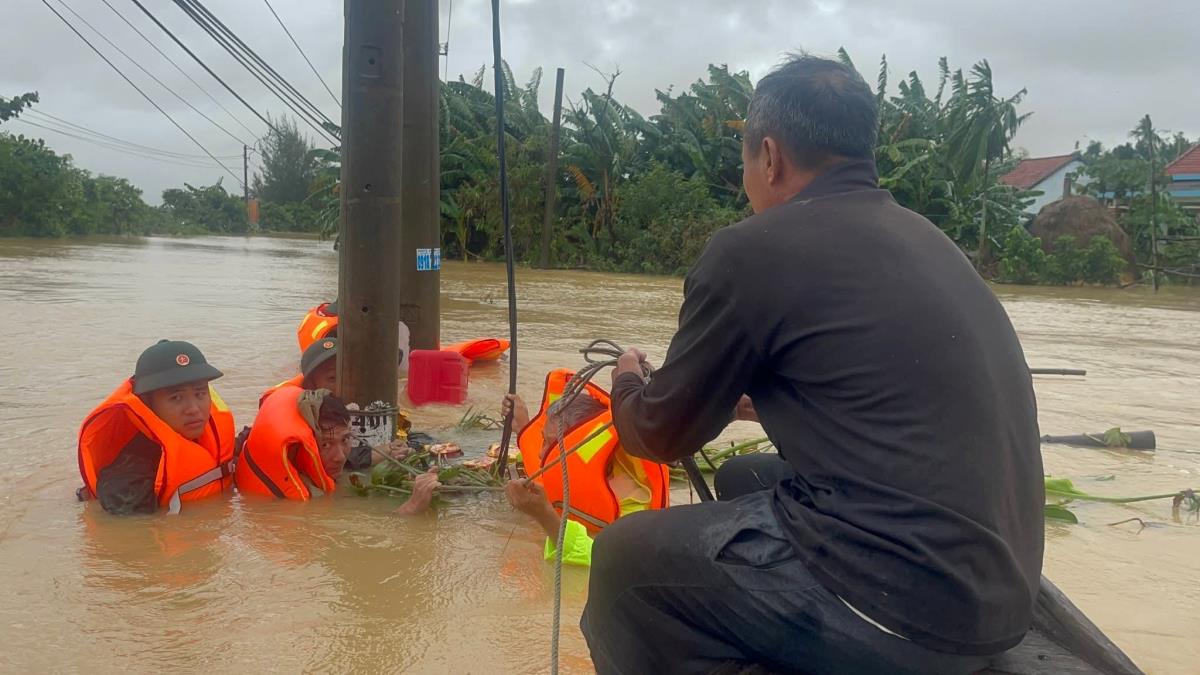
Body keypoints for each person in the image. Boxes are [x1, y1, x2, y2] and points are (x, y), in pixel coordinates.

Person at [581, 54, 1044, 675]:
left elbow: (659, 435)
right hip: (996, 602)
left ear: (768, 156)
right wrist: (762, 398)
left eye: (745, 159)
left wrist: (629, 378)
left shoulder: (752, 249)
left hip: (904, 614)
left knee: (621, 560)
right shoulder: (927, 239)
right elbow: (869, 389)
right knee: (745, 476)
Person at [501, 369, 670, 567]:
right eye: (543, 441)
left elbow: (609, 562)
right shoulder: (574, 464)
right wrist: (522, 427)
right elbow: (545, 465)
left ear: (581, 447)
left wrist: (544, 515)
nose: (542, 453)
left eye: (551, 444)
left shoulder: (633, 503)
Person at [78, 340, 236, 515]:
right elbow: (125, 535)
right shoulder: (131, 479)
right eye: (176, 398)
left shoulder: (208, 437)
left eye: (200, 394)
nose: (194, 409)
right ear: (148, 405)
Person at [237, 382, 438, 515]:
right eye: (325, 444)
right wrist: (411, 508)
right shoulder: (287, 502)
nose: (340, 456)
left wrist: (389, 455)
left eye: (346, 440)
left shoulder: (327, 462)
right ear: (301, 446)